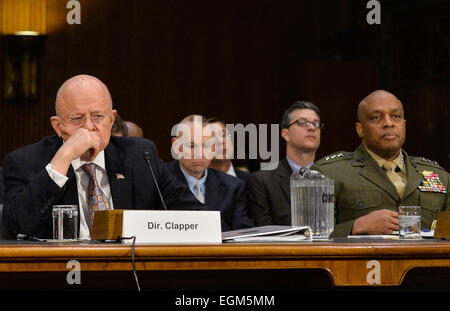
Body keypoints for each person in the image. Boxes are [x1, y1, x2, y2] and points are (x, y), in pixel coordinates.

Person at [2, 75, 203, 239]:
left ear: (111, 119)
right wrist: (63, 159)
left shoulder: (141, 157)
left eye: (97, 116)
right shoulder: (24, 161)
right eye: (77, 119)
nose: (89, 127)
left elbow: (196, 217)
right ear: (58, 126)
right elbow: (18, 227)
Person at [312, 90, 449, 237]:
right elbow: (310, 238)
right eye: (376, 117)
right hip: (365, 260)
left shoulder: (440, 176)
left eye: (395, 116)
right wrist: (355, 227)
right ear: (360, 129)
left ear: (404, 124)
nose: (389, 123)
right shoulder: (329, 174)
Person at [168, 115, 254, 231]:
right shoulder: (159, 180)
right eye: (192, 146)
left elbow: (243, 236)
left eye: (206, 146)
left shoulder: (233, 187)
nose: (199, 154)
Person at [247, 101, 323, 226]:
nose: (312, 128)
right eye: (303, 123)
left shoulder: (332, 177)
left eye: (316, 124)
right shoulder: (262, 181)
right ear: (285, 134)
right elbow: (264, 233)